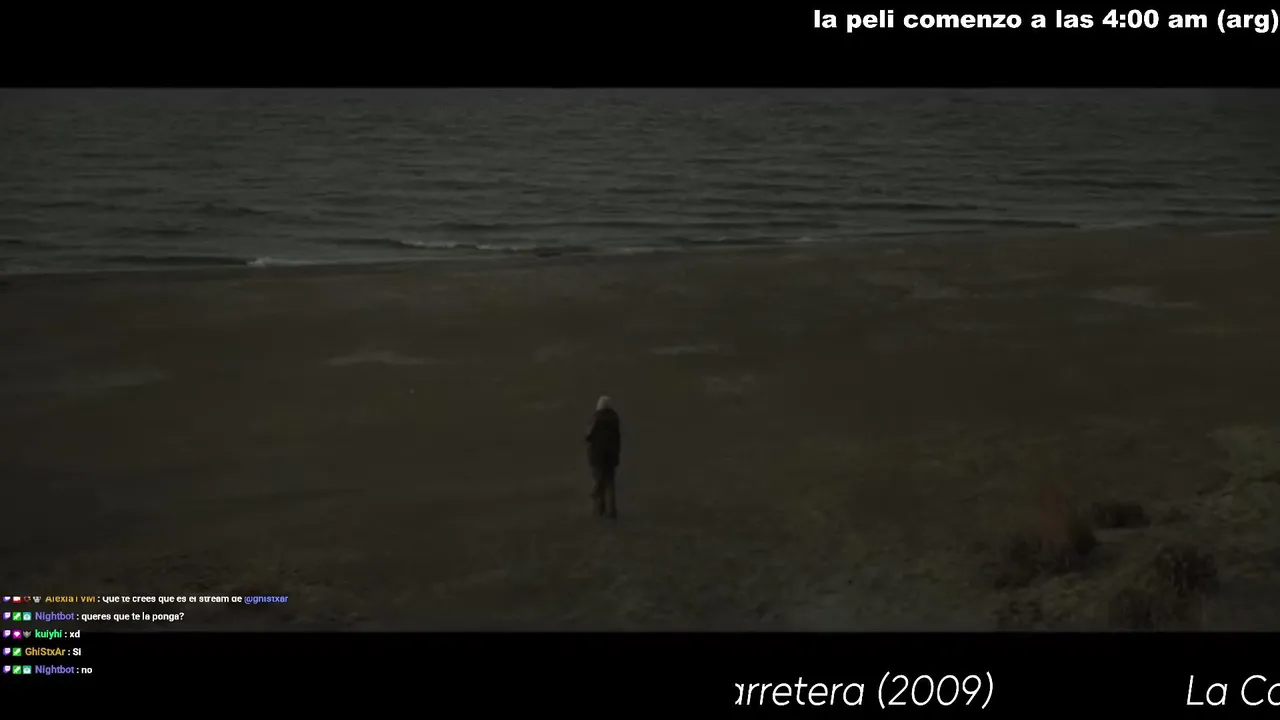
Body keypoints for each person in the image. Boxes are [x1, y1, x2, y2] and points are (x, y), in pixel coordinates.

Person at [585, 395, 622, 519]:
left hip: (597, 456)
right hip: (611, 457)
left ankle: (600, 509)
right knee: (610, 484)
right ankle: (612, 511)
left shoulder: (596, 419)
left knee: (599, 481)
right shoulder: (615, 419)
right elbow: (617, 439)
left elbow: (588, 436)